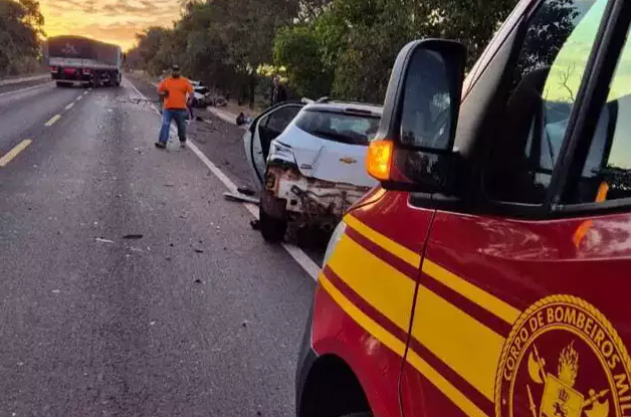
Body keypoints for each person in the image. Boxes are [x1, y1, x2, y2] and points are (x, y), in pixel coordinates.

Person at [155, 65, 194, 149]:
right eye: (174, 70)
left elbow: (191, 91)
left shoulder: (184, 81)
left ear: (180, 71)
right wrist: (163, 94)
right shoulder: (166, 81)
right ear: (171, 71)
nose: (175, 72)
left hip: (180, 109)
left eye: (177, 70)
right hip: (168, 108)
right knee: (165, 124)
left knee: (181, 126)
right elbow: (159, 91)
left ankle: (182, 140)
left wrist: (190, 100)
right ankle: (162, 142)